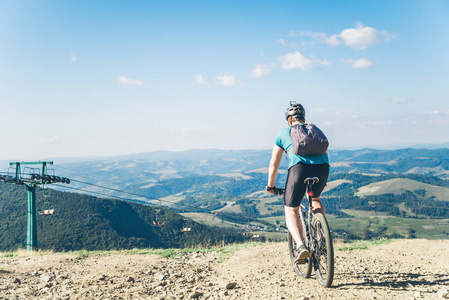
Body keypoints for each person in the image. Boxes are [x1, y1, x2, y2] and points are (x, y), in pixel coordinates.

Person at [266, 101, 329, 263]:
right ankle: (322, 237)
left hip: (299, 170)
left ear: (289, 120)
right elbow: (325, 152)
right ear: (304, 118)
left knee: (291, 210)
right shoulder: (315, 131)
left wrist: (271, 185)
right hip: (322, 169)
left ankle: (301, 246)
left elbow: (274, 163)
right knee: (315, 199)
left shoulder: (283, 133)